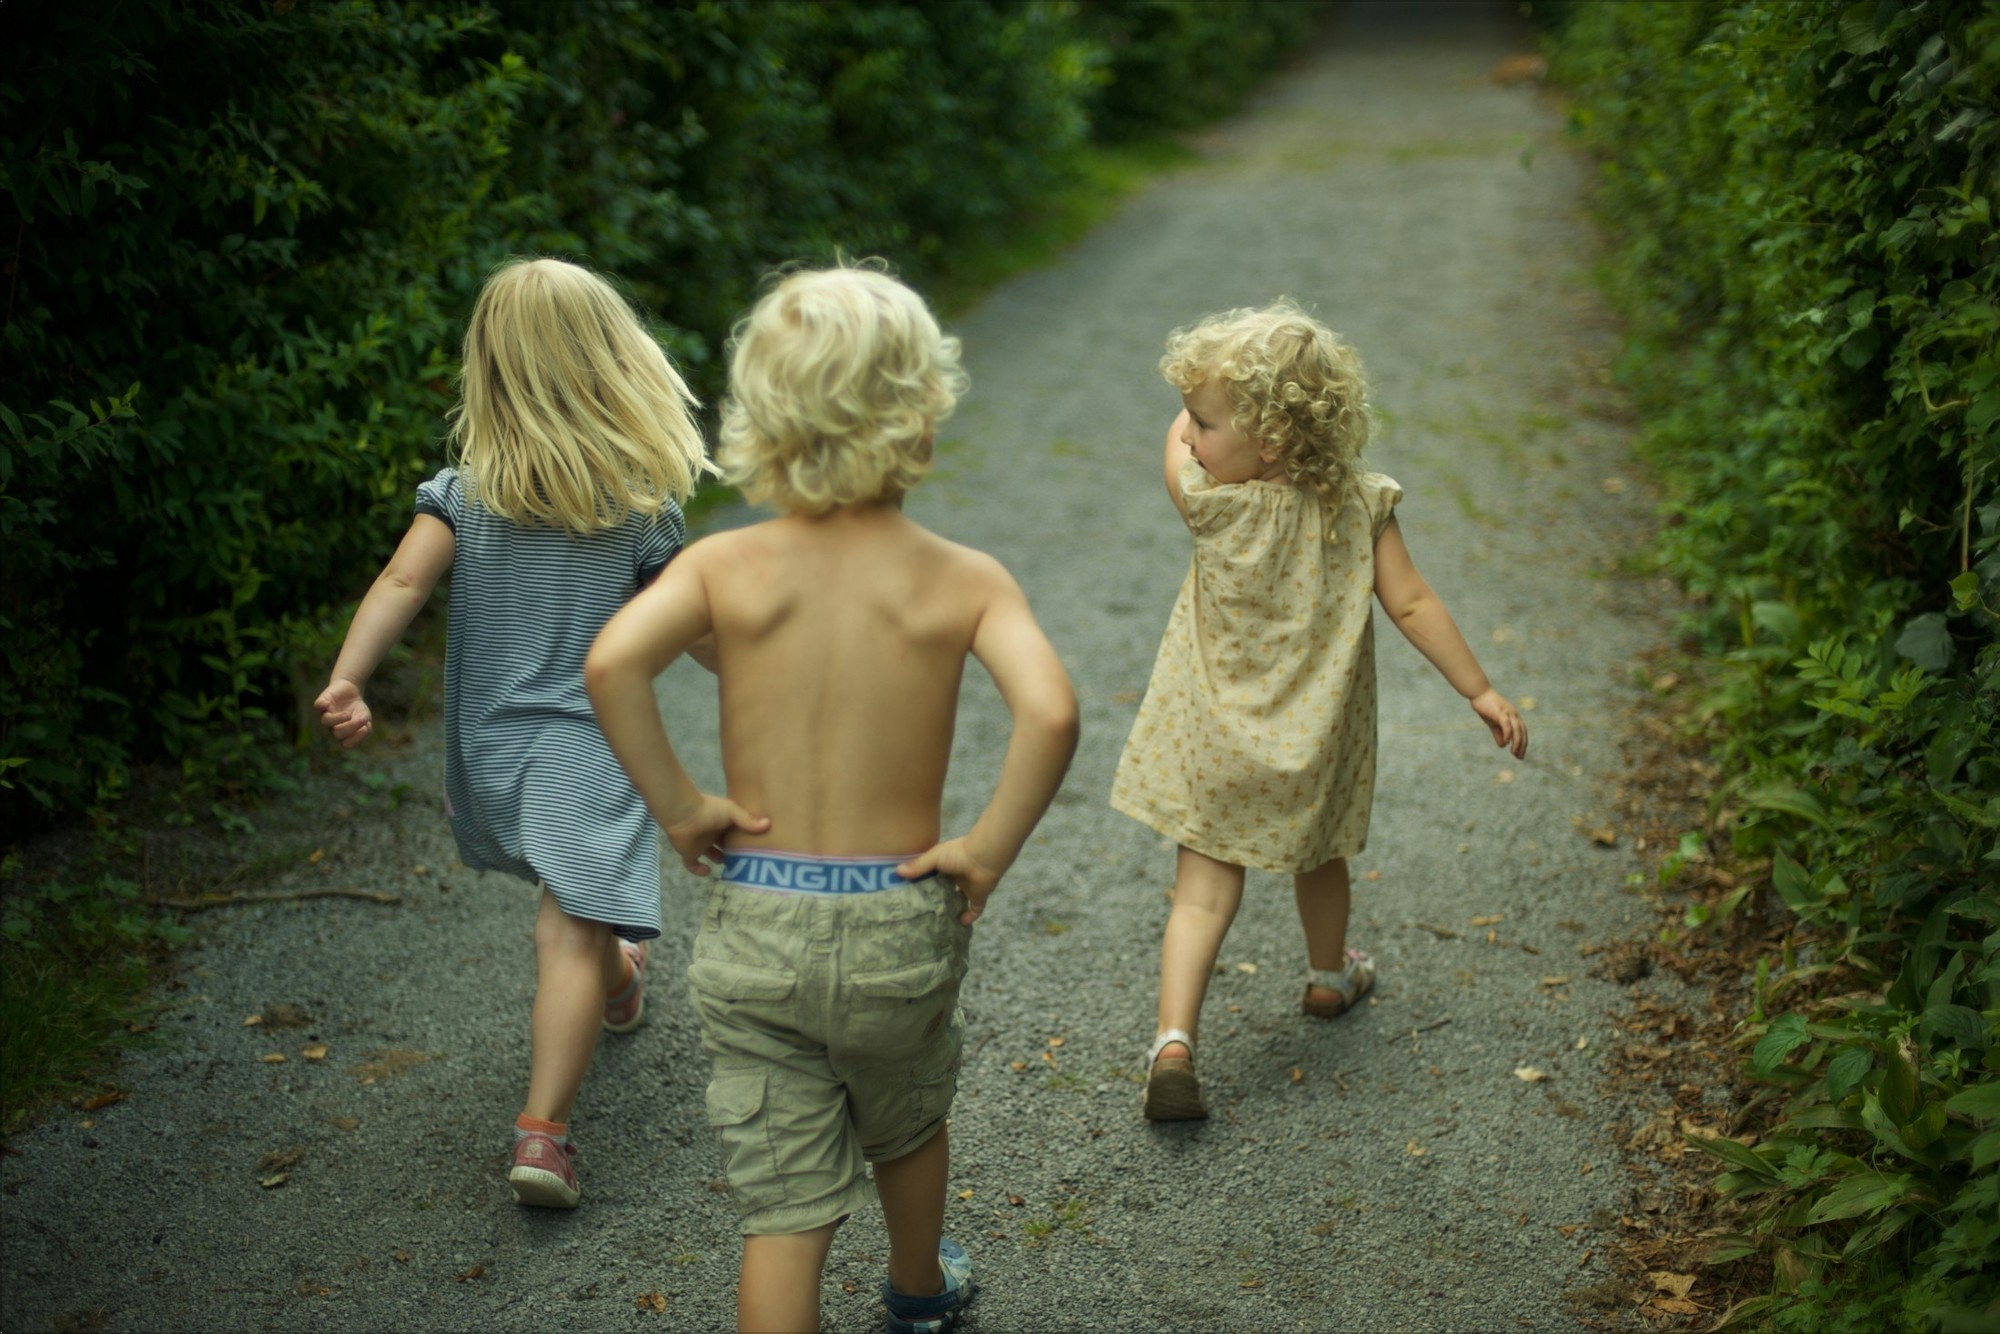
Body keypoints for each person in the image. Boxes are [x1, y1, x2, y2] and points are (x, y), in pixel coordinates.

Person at [587, 265, 1077, 1334]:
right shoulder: (963, 578)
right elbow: (1048, 714)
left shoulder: (724, 566)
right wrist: (984, 849)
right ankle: (914, 1287)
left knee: (785, 1211)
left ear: (759, 417)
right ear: (920, 412)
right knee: (902, 1121)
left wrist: (680, 806)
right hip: (896, 912)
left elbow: (613, 662)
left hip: (756, 916)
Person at [314, 257, 714, 1205]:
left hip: (493, 750)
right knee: (567, 931)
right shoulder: (637, 507)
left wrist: (347, 678)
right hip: (586, 749)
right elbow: (694, 632)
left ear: (489, 370)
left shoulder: (463, 493)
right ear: (614, 361)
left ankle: (619, 974)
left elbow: (401, 585)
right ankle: (543, 1136)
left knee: (575, 909)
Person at [1110, 300, 1528, 1122]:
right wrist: (1477, 689)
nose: (1191, 435)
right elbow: (1410, 602)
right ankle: (1329, 977)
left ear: (1267, 442)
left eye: (1204, 420)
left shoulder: (1210, 503)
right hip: (1314, 739)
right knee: (1321, 854)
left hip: (1213, 738)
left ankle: (1173, 1042)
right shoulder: (1359, 505)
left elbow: (1171, 450)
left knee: (1201, 889)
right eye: (1193, 421)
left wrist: (1188, 413)